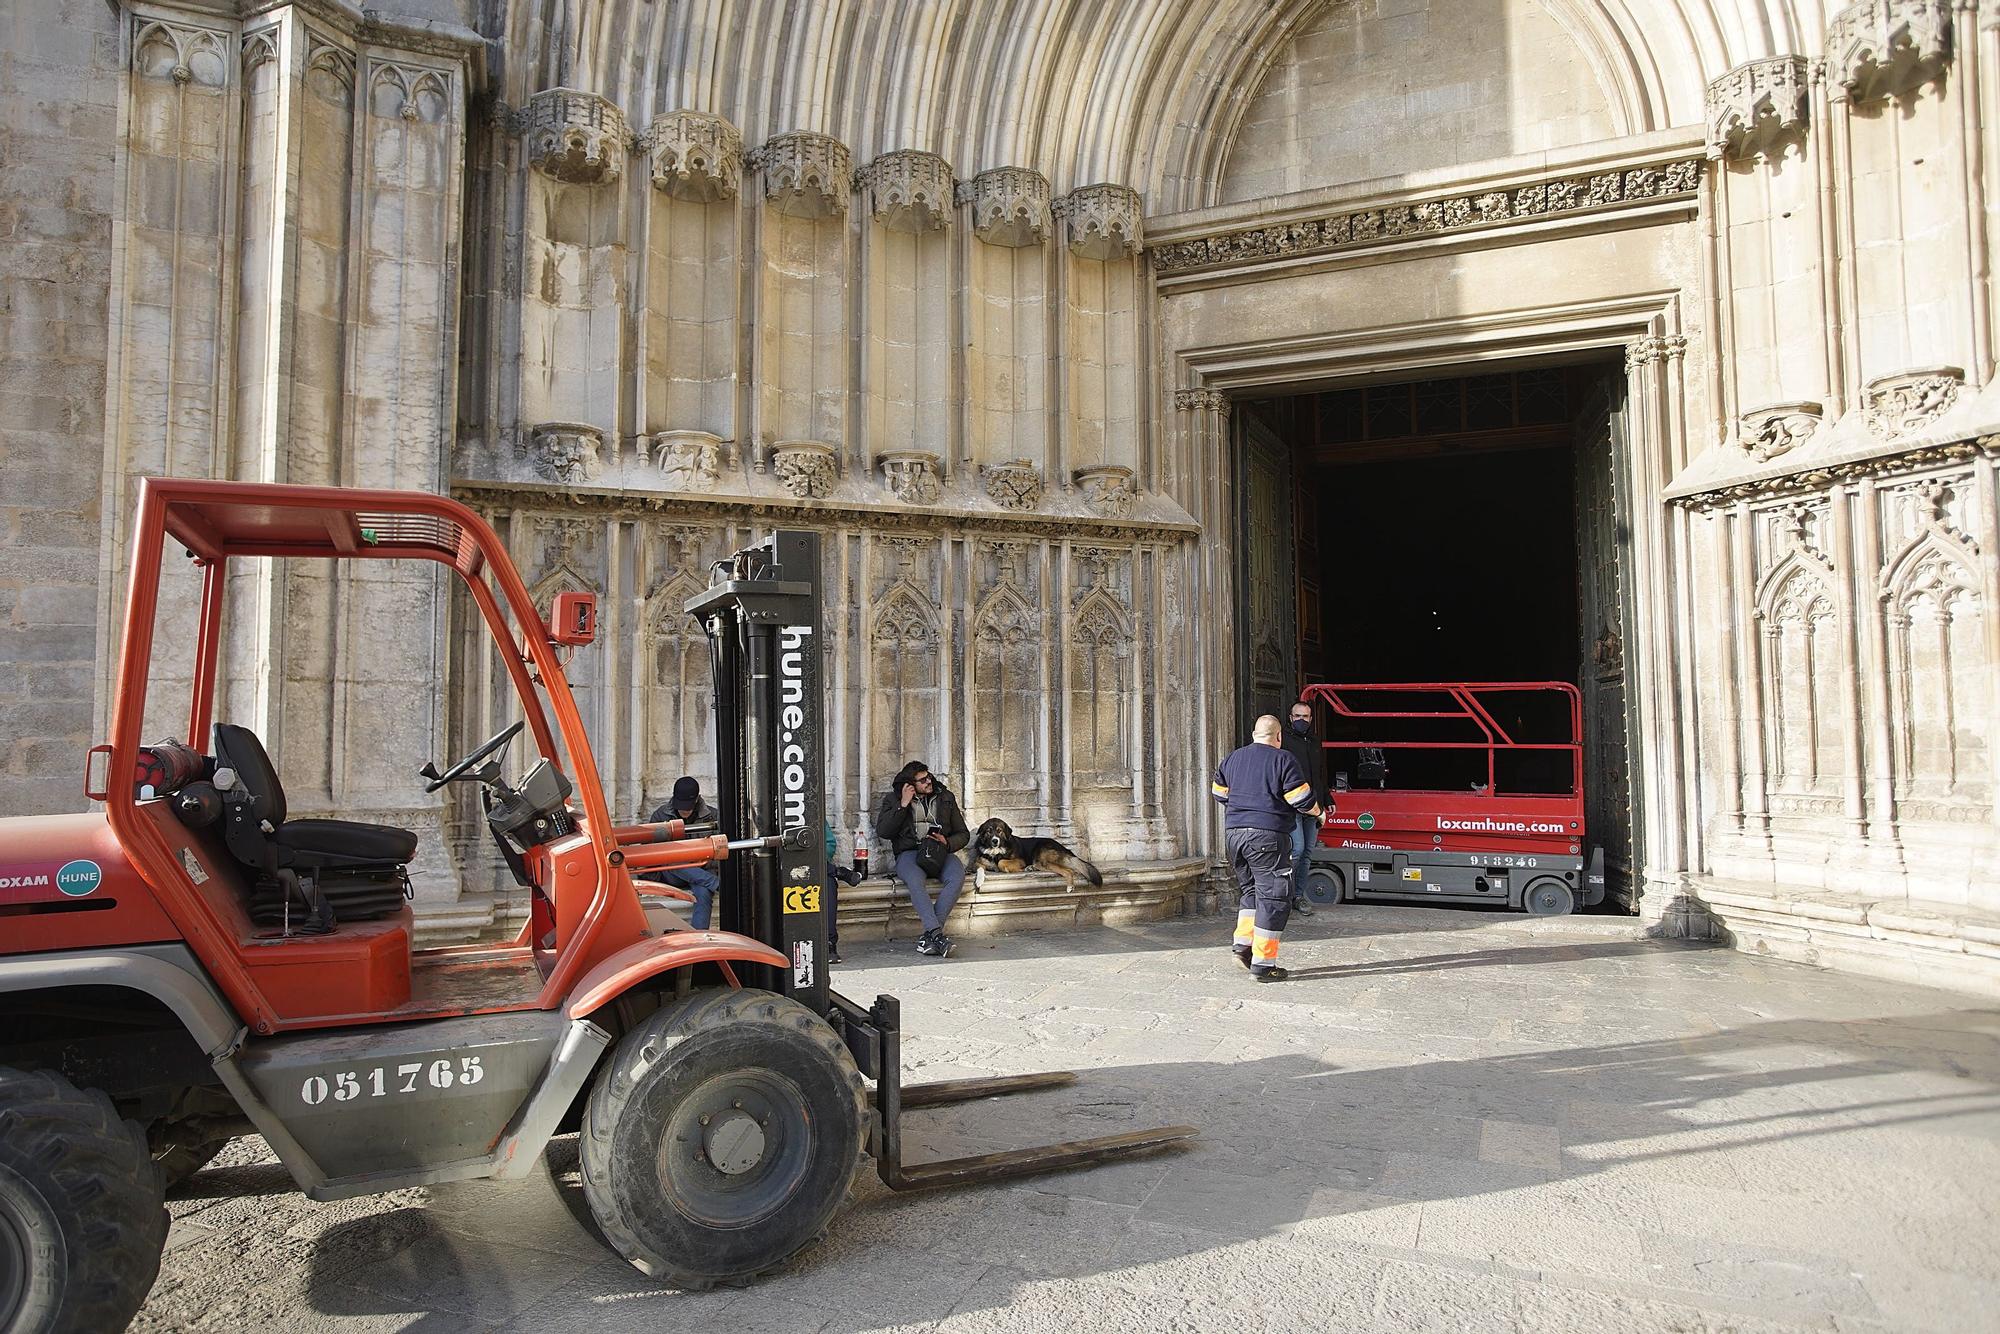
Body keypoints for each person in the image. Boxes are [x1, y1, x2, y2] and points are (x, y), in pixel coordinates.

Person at [1211, 715, 1322, 982]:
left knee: (1250, 890)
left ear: (1253, 734)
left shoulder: (1233, 758)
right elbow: (1301, 799)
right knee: (1274, 898)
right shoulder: (1283, 759)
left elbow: (1218, 792)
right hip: (1268, 837)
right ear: (1279, 736)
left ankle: (1243, 947)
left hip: (1235, 836)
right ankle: (1263, 965)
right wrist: (1319, 813)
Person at [875, 760, 968, 957]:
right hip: (909, 853)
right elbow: (884, 831)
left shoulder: (946, 798)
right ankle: (936, 934)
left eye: (929, 777)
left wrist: (947, 842)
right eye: (922, 780)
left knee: (957, 876)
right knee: (916, 881)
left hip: (940, 850)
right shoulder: (893, 800)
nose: (928, 782)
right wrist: (903, 805)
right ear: (910, 785)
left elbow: (963, 834)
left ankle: (930, 936)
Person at [646, 776, 721, 929]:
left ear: (697, 800)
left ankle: (699, 938)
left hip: (702, 871)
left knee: (704, 894)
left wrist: (699, 862)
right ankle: (715, 884)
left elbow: (720, 851)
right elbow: (653, 855)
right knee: (670, 857)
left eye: (688, 806)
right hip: (672, 873)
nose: (684, 810)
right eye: (681, 806)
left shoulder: (713, 816)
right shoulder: (660, 816)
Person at [1280, 698, 1332, 917]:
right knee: (1297, 849)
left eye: (1306, 716)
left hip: (1314, 804)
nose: (1302, 720)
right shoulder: (1284, 741)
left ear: (1311, 719)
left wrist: (1327, 799)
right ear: (1291, 718)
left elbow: (1320, 773)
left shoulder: (1314, 741)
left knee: (1309, 851)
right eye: (1297, 716)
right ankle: (1285, 895)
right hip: (1293, 805)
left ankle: (1298, 896)